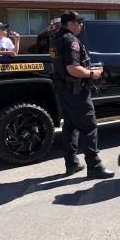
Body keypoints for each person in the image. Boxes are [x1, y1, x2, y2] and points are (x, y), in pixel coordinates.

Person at [50, 11, 114, 179]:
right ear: (69, 23)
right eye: (78, 22)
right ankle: (94, 166)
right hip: (76, 91)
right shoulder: (71, 41)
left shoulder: (55, 40)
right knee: (89, 126)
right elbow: (73, 69)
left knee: (70, 126)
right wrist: (93, 74)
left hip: (64, 90)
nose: (81, 24)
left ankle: (71, 164)